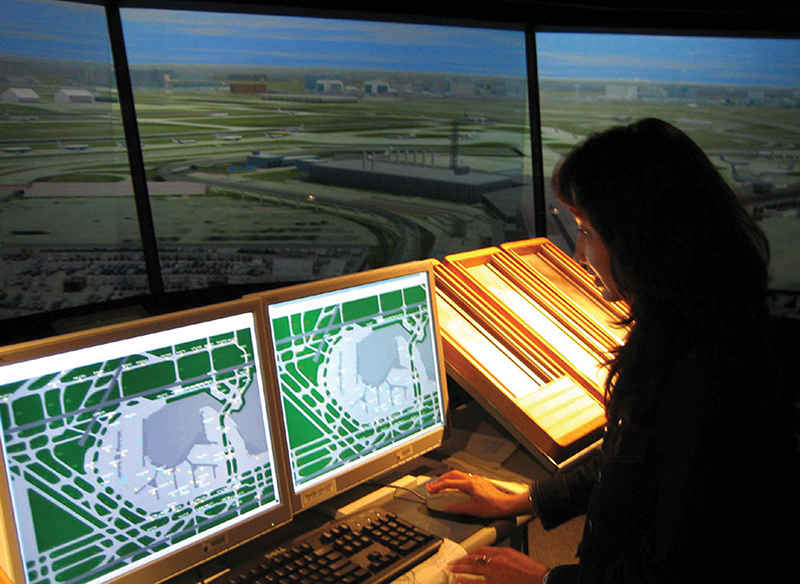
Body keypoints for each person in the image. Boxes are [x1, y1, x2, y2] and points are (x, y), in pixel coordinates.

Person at [426, 118, 799, 583]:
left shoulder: (707, 375)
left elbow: (677, 569)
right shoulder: (693, 325)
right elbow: (636, 458)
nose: (581, 255)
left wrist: (544, 580)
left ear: (641, 240)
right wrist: (528, 499)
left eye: (586, 230)